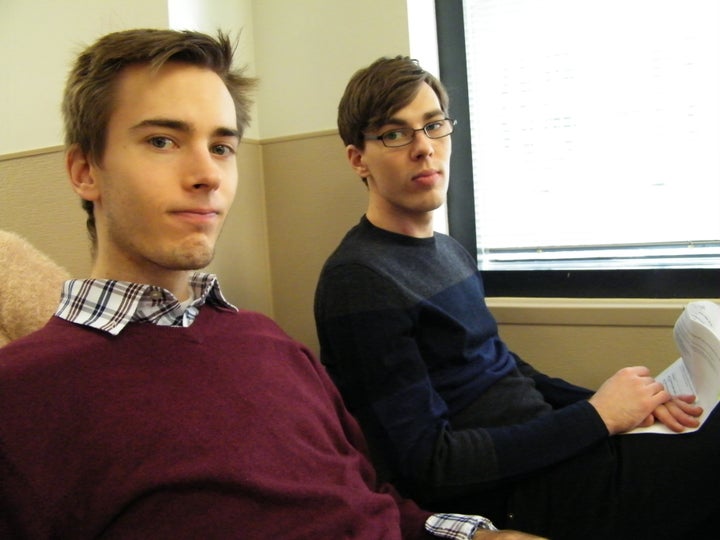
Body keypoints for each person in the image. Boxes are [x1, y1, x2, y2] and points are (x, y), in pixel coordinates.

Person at [0, 29, 542, 540]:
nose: (207, 174)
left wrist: (480, 533)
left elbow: (375, 500)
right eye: (163, 140)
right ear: (84, 171)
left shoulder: (273, 344)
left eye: (221, 147)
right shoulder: (24, 394)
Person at [314, 55, 720, 540]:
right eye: (395, 134)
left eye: (433, 125)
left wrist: (622, 405)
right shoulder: (358, 280)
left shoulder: (448, 251)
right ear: (358, 157)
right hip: (512, 497)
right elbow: (429, 466)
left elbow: (505, 368)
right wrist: (596, 417)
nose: (424, 148)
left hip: (557, 451)